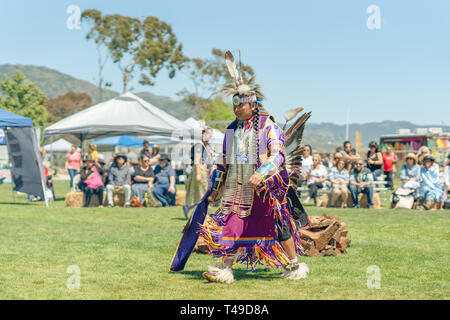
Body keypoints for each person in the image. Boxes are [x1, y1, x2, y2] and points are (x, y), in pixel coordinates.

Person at [199, 51, 308, 284]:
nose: (236, 109)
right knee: (232, 222)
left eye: (241, 105)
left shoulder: (269, 127)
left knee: (277, 226)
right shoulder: (231, 130)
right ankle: (225, 268)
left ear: (252, 105)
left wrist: (261, 173)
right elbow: (224, 161)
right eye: (234, 105)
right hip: (237, 187)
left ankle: (294, 264)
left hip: (265, 188)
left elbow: (278, 155)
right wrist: (215, 188)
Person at [183, 127, 213, 218]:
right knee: (203, 192)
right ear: (203, 135)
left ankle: (189, 207)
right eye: (208, 135)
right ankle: (201, 213)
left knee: (202, 192)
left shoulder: (204, 145)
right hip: (199, 169)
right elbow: (197, 160)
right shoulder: (199, 145)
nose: (209, 137)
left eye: (210, 136)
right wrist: (199, 174)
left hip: (202, 169)